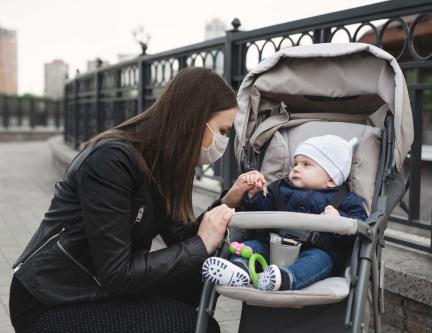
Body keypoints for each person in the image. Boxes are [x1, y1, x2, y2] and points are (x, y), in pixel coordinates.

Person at [9, 67, 250, 333]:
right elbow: (116, 274)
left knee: (193, 283)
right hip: (50, 301)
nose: (224, 141)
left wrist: (228, 202)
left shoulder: (160, 163)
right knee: (195, 327)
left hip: (93, 287)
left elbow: (181, 239)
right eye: (223, 130)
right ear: (195, 120)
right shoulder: (111, 161)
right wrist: (202, 244)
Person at [202, 135, 368, 291]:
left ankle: (285, 279)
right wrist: (254, 195)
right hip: (273, 244)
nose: (296, 169)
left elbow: (359, 227)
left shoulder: (345, 200)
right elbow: (261, 212)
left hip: (316, 250)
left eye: (306, 164)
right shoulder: (279, 188)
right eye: (295, 164)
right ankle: (238, 269)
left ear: (331, 179)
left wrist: (339, 221)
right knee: (251, 248)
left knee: (319, 261)